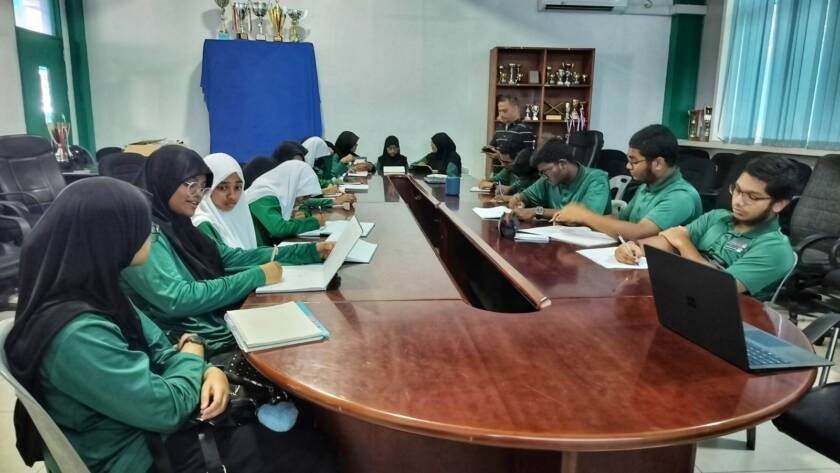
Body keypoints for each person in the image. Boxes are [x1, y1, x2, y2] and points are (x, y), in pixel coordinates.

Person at [3, 177, 336, 473]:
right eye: (141, 228)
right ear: (109, 239)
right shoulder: (75, 334)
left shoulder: (101, 293)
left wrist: (207, 367)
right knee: (311, 451)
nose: (152, 235)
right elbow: (169, 408)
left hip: (149, 426)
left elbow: (163, 348)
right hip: (138, 455)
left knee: (302, 428)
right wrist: (195, 355)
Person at [121, 145, 332, 357]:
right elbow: (178, 298)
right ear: (165, 181)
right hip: (188, 347)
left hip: (215, 327)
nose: (198, 195)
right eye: (192, 186)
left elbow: (229, 257)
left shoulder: (179, 224)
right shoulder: (144, 233)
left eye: (203, 188)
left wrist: (309, 251)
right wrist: (256, 276)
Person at [615, 155, 799, 301]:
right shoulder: (716, 217)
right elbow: (668, 240)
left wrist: (684, 244)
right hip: (684, 297)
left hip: (731, 318)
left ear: (780, 204)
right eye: (737, 190)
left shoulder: (775, 248)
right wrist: (634, 247)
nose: (738, 201)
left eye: (753, 197)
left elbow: (718, 287)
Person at [551, 124, 702, 239]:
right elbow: (621, 220)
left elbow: (638, 232)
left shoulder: (681, 197)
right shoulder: (647, 186)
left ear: (658, 163)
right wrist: (578, 221)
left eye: (634, 162)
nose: (628, 166)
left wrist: (585, 215)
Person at [508, 138, 610, 220]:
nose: (543, 176)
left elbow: (586, 216)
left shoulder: (597, 179)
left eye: (544, 171)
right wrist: (517, 199)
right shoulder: (548, 180)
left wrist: (537, 211)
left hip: (593, 238)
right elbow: (526, 196)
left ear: (562, 164)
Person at [247, 159, 342, 245]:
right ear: (294, 185)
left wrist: (300, 215)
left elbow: (302, 206)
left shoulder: (282, 194)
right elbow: (279, 229)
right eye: (304, 196)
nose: (303, 201)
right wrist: (314, 222)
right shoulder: (262, 195)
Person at [192, 153, 259, 249]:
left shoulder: (240, 218)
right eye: (222, 188)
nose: (232, 196)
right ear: (206, 187)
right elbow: (225, 257)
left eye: (237, 187)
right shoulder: (201, 224)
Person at [482, 95, 535, 165]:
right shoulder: (500, 128)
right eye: (499, 111)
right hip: (497, 170)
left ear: (515, 109)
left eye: (504, 111)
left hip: (515, 171)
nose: (501, 114)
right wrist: (489, 150)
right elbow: (492, 146)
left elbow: (528, 157)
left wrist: (501, 156)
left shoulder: (524, 129)